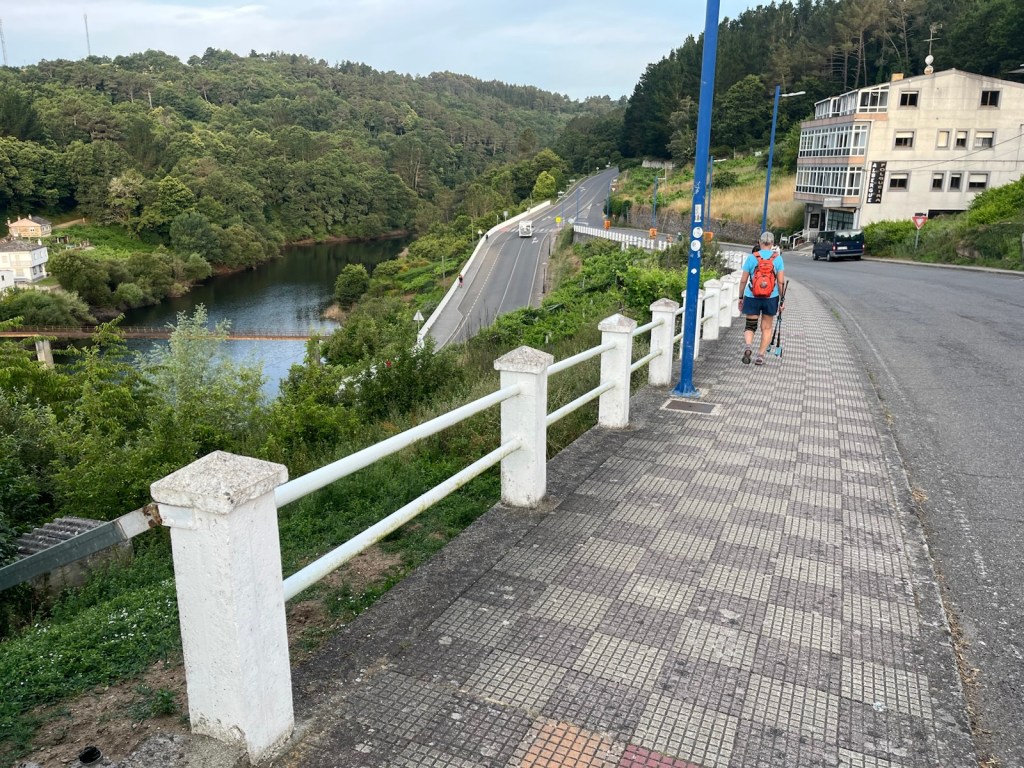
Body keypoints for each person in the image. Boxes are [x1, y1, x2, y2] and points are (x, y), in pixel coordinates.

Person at [738, 232, 785, 366]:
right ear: (772, 244)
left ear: (759, 242)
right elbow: (780, 282)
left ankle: (748, 346)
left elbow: (743, 280)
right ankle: (760, 356)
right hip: (771, 297)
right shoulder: (778, 259)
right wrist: (782, 300)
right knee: (766, 327)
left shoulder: (752, 257)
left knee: (750, 325)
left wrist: (740, 297)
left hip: (752, 295)